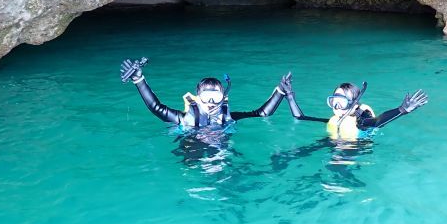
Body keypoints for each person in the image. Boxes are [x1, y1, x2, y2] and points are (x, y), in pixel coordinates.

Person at [120, 57, 291, 129]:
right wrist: (139, 80)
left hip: (221, 160)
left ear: (223, 98)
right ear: (197, 97)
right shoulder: (183, 118)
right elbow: (156, 107)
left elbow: (261, 113)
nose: (210, 101)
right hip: (193, 161)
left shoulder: (229, 117)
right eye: (206, 96)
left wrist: (281, 91)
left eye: (215, 96)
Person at [280, 72, 428, 140]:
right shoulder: (336, 119)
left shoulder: (360, 120)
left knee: (336, 167)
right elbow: (300, 117)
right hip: (334, 144)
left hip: (354, 150)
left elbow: (377, 122)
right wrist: (289, 95)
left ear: (354, 104)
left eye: (342, 101)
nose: (337, 106)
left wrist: (401, 110)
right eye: (334, 100)